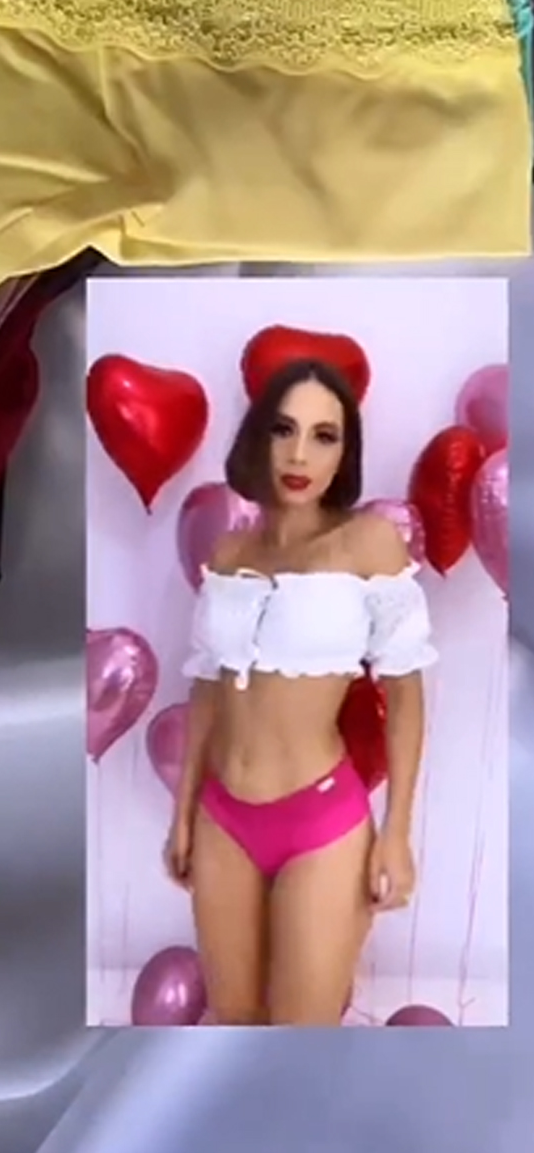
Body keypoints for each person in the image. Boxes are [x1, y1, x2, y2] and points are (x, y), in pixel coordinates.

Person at [163, 356, 436, 1026]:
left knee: (302, 1029)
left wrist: (397, 833)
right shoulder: (229, 553)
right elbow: (209, 688)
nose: (298, 454)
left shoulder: (367, 544)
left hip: (320, 822)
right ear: (258, 435)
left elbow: (405, 694)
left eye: (324, 435)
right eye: (283, 429)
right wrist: (183, 811)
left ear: (345, 452)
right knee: (232, 1023)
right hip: (222, 816)